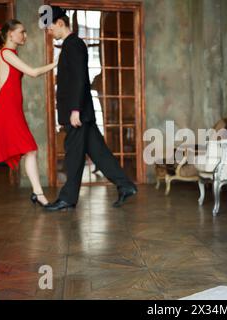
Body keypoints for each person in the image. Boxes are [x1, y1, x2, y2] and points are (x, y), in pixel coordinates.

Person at [44, 6, 137, 211]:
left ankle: (68, 198)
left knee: (73, 155)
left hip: (77, 113)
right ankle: (125, 185)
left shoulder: (73, 45)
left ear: (60, 23)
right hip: (81, 113)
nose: (48, 31)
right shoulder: (70, 45)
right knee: (99, 153)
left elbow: (80, 79)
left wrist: (75, 110)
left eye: (50, 27)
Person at [0, 19, 57, 214]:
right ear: (10, 34)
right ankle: (37, 195)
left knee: (27, 151)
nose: (25, 36)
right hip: (5, 112)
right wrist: (57, 62)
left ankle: (37, 193)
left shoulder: (9, 54)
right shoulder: (6, 53)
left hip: (9, 111)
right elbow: (34, 72)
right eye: (22, 32)